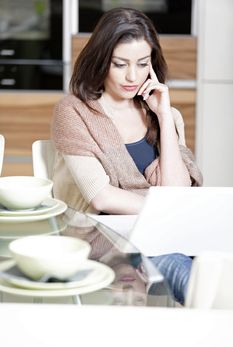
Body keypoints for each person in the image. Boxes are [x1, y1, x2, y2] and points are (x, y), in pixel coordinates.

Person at [51, 7, 203, 305]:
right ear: (101, 61)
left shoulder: (166, 115)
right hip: (104, 237)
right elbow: (102, 198)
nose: (133, 76)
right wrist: (167, 212)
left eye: (143, 64)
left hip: (168, 230)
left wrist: (163, 115)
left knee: (217, 258)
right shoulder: (74, 112)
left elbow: (178, 192)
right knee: (184, 268)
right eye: (120, 64)